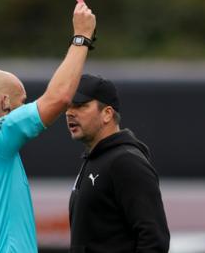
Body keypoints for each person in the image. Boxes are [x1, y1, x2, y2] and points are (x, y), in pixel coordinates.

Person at [0, 3, 96, 252]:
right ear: (5, 102)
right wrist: (82, 37)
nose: (24, 108)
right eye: (22, 103)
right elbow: (58, 99)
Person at [65, 74, 170, 252]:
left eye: (80, 106)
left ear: (107, 114)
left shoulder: (126, 162)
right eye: (68, 107)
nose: (69, 113)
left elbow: (154, 241)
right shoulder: (94, 159)